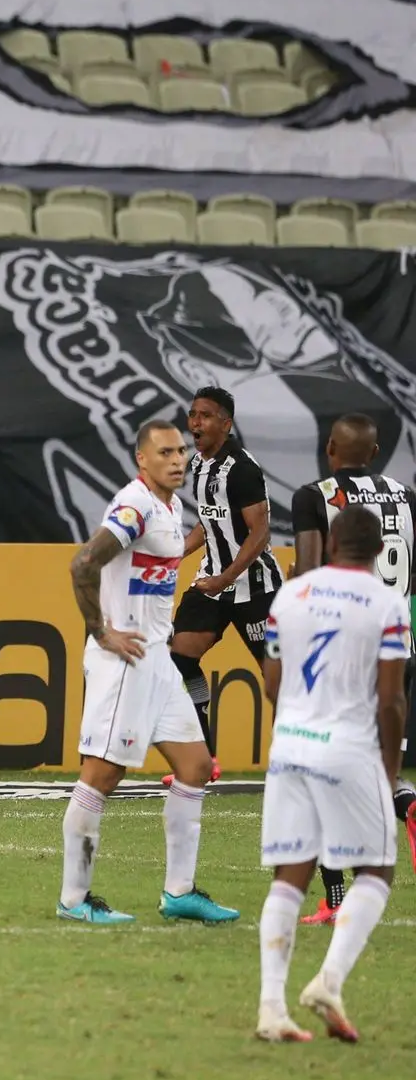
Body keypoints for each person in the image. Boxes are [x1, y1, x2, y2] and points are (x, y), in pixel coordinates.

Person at [57, 419, 238, 924]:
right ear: (142, 459)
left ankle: (179, 893)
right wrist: (102, 632)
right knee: (102, 775)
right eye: (165, 452)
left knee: (196, 767)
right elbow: (83, 564)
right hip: (126, 661)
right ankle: (73, 900)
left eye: (182, 450)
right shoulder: (134, 505)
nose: (178, 459)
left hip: (157, 659)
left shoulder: (172, 506)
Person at [253, 506, 406, 1043]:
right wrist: (388, 771)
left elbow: (271, 683)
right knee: (378, 867)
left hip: (291, 743)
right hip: (349, 747)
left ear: (333, 540)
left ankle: (271, 1008)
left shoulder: (290, 595)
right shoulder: (388, 603)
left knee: (289, 875)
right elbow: (390, 700)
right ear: (379, 551)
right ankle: (329, 981)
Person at [288, 412, 416, 922]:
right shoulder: (405, 497)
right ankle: (407, 805)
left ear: (330, 449)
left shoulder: (313, 496)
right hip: (398, 642)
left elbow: (310, 568)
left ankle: (336, 899)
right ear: (377, 449)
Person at [170, 386, 283, 775]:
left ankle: (300, 762)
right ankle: (206, 757)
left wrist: (227, 577)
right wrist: (179, 552)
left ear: (226, 423)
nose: (194, 422)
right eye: (192, 414)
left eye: (204, 415)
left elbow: (260, 532)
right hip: (212, 583)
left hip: (255, 588)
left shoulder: (242, 469)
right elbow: (211, 520)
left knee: (277, 683)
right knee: (180, 656)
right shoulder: (200, 464)